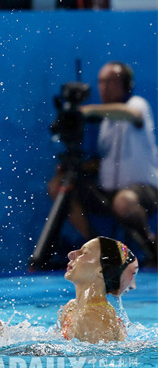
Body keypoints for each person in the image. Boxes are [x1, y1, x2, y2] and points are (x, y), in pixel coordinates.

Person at [0, 160, 138, 345]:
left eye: (84, 253)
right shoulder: (73, 308)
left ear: (101, 271)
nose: (71, 254)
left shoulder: (97, 319)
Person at [48, 61, 158, 263]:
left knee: (124, 202)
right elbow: (104, 160)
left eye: (111, 81)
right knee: (59, 187)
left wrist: (87, 111)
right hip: (108, 192)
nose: (104, 86)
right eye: (101, 81)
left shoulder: (137, 104)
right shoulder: (106, 122)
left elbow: (131, 115)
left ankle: (152, 246)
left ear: (126, 84)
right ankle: (100, 250)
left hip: (144, 190)